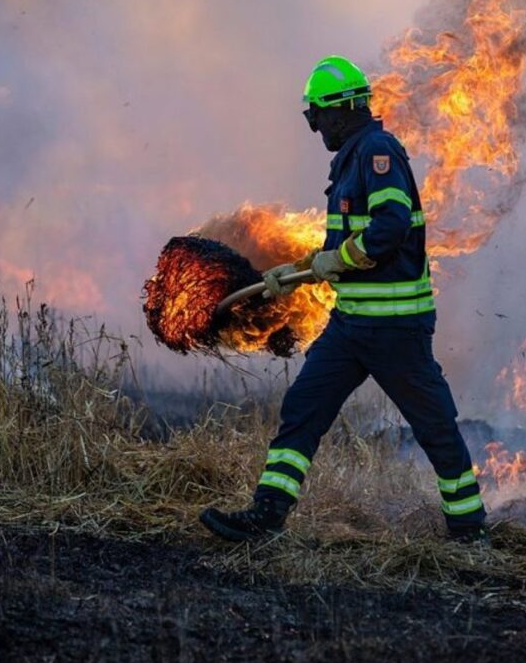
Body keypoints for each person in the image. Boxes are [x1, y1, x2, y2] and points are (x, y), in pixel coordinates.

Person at [200, 55, 488, 544]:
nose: (316, 129)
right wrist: (299, 269)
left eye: (317, 116)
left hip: (395, 329)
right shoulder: (352, 160)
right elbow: (344, 246)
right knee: (303, 408)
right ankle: (266, 516)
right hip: (351, 327)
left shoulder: (377, 152)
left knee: (433, 425)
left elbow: (390, 228)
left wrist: (340, 258)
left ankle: (468, 529)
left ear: (340, 110)